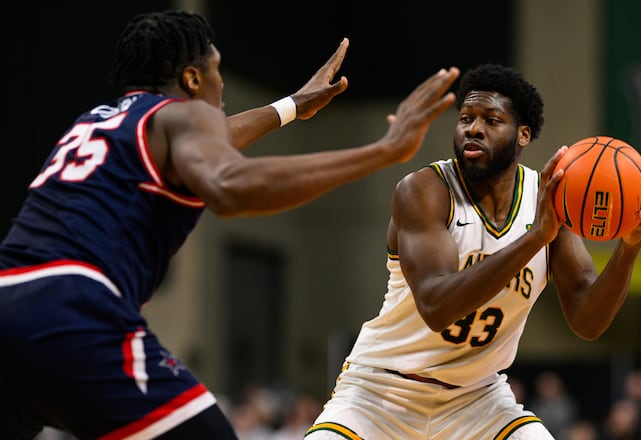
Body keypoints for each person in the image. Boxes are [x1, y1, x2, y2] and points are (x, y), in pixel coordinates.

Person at [0, 9, 459, 440]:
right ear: (193, 78)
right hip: (70, 307)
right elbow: (227, 184)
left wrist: (293, 105)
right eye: (217, 70)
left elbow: (213, 142)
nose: (220, 86)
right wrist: (384, 151)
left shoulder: (100, 122)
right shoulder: (185, 115)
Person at [304, 63, 641, 439]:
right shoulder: (425, 191)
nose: (473, 128)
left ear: (522, 134)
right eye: (465, 118)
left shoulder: (547, 202)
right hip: (381, 393)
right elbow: (436, 307)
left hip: (475, 399)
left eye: (491, 120)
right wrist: (534, 239)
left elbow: (588, 322)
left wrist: (630, 245)